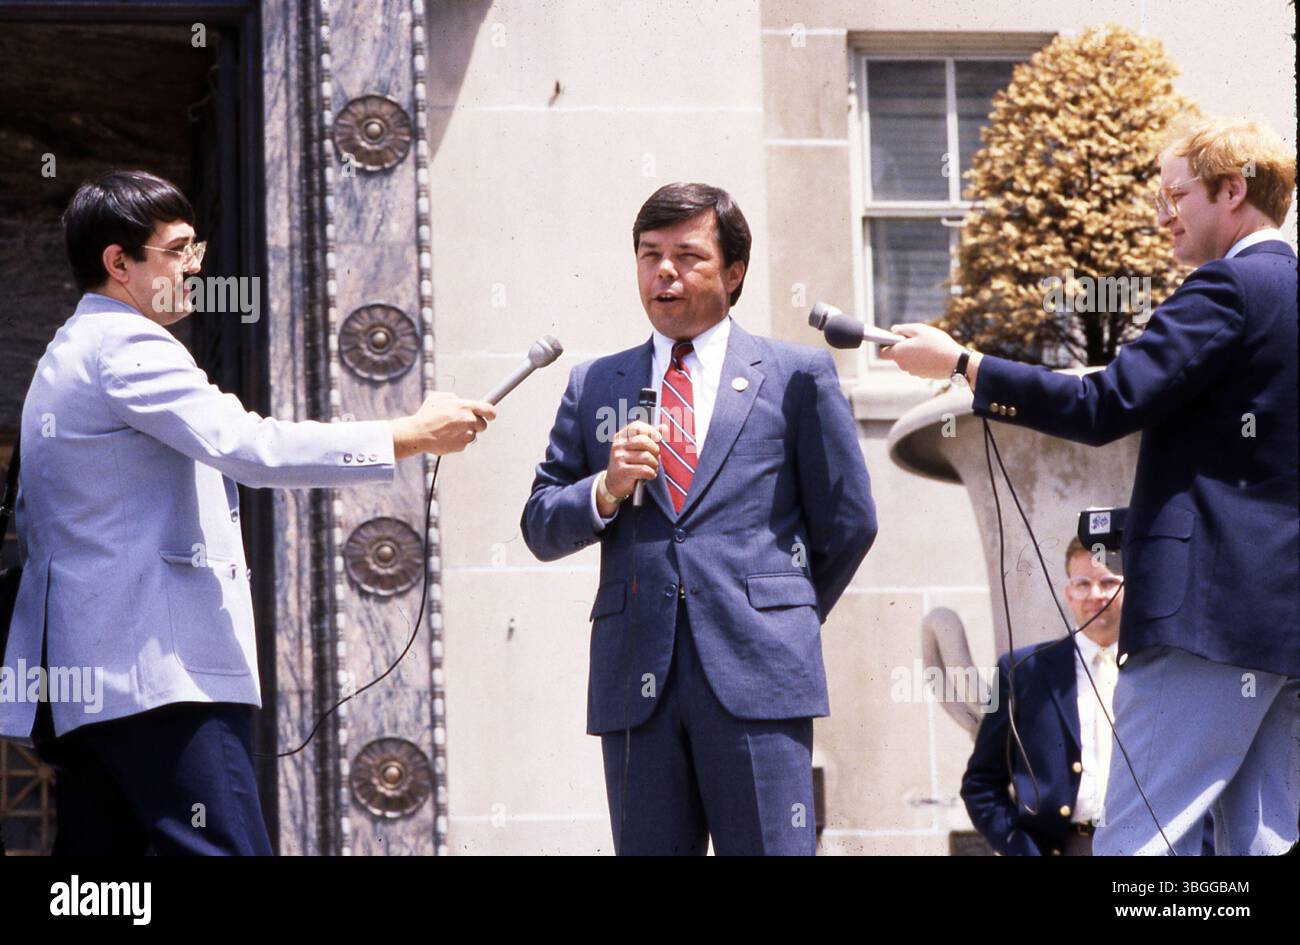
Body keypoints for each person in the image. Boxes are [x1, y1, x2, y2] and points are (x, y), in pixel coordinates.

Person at [0, 170, 495, 855]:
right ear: (119, 262)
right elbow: (251, 447)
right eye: (178, 249)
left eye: (195, 246)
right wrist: (407, 434)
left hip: (92, 690)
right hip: (162, 681)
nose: (196, 265)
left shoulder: (65, 353)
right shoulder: (125, 346)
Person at [883, 117, 1298, 855]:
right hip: (1282, 628)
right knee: (1262, 845)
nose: (1162, 217)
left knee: (1140, 843)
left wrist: (964, 365)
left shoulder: (1227, 287)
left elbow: (1103, 404)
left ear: (1234, 191)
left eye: (1176, 196)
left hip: (1204, 619)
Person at [521, 182, 876, 855]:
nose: (664, 272)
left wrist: (782, 610)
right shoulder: (596, 385)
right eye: (649, 255)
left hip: (759, 675)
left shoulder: (795, 375)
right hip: (637, 683)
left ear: (733, 272)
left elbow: (850, 522)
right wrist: (606, 488)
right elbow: (540, 522)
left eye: (687, 256)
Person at [963, 538, 1126, 856]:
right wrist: (1021, 850)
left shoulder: (1161, 671)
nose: (1095, 595)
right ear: (1068, 593)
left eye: (1108, 582)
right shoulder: (1023, 671)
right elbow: (981, 783)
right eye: (1083, 584)